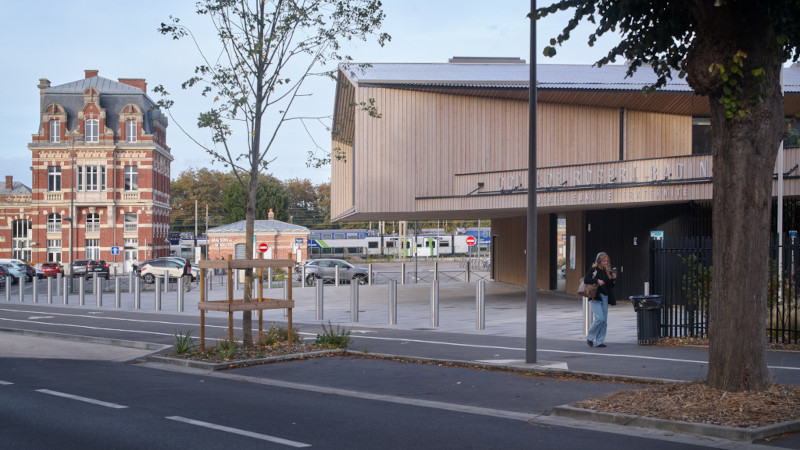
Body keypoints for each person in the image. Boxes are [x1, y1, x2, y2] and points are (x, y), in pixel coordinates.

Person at [584, 251, 616, 348]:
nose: (606, 263)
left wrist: (613, 279)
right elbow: (586, 279)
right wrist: (597, 280)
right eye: (604, 261)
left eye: (607, 261)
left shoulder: (607, 271)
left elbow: (610, 286)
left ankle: (599, 341)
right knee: (599, 318)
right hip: (595, 297)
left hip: (605, 297)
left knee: (604, 321)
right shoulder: (594, 269)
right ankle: (590, 337)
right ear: (599, 261)